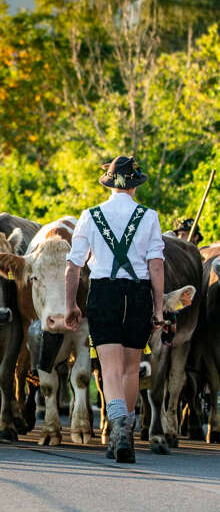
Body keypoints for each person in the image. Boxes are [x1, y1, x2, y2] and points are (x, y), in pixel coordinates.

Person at [64, 156, 165, 463]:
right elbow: (156, 265)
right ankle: (127, 431)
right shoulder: (149, 217)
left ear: (108, 183)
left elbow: (73, 265)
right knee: (132, 367)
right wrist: (159, 309)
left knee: (109, 367)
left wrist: (71, 305)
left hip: (104, 291)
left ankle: (118, 427)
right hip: (137, 294)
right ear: (134, 186)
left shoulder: (90, 215)